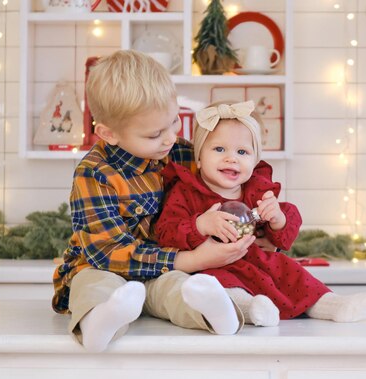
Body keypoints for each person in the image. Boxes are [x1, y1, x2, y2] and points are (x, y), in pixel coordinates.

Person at [52, 51, 255, 353]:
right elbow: (108, 252)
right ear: (109, 133)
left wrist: (256, 220)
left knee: (181, 288)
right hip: (106, 266)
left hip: (165, 270)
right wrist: (193, 260)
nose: (170, 138)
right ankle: (100, 321)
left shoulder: (183, 154)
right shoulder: (95, 173)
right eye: (154, 134)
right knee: (93, 284)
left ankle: (216, 315)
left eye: (174, 122)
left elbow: (231, 181)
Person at [154, 100, 366, 326]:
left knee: (290, 271)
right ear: (199, 158)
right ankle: (250, 309)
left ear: (255, 161)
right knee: (220, 282)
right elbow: (164, 231)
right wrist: (201, 225)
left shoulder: (257, 190)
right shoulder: (186, 191)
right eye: (219, 149)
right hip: (213, 263)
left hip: (258, 261)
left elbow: (286, 230)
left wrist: (277, 218)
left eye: (242, 151)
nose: (231, 158)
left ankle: (333, 305)